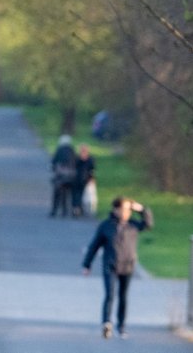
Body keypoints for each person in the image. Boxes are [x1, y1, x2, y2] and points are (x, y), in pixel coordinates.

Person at [82, 197, 153, 339]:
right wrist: (87, 264)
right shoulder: (106, 226)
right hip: (111, 265)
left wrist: (141, 209)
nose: (126, 212)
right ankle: (106, 322)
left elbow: (148, 224)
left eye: (128, 209)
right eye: (123, 209)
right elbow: (94, 245)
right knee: (110, 294)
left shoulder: (133, 225)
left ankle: (121, 326)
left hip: (127, 265)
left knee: (123, 296)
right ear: (115, 210)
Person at [49, 134, 77, 217]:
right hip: (70, 177)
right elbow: (75, 162)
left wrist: (54, 169)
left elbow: (54, 161)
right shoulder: (72, 150)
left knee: (57, 194)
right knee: (66, 194)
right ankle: (64, 211)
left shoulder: (59, 150)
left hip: (60, 176)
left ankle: (54, 210)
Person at [72, 144, 96, 217]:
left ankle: (79, 209)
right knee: (76, 194)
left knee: (82, 195)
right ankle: (76, 209)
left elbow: (92, 170)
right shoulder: (78, 159)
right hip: (77, 179)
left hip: (84, 180)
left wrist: (91, 178)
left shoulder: (89, 159)